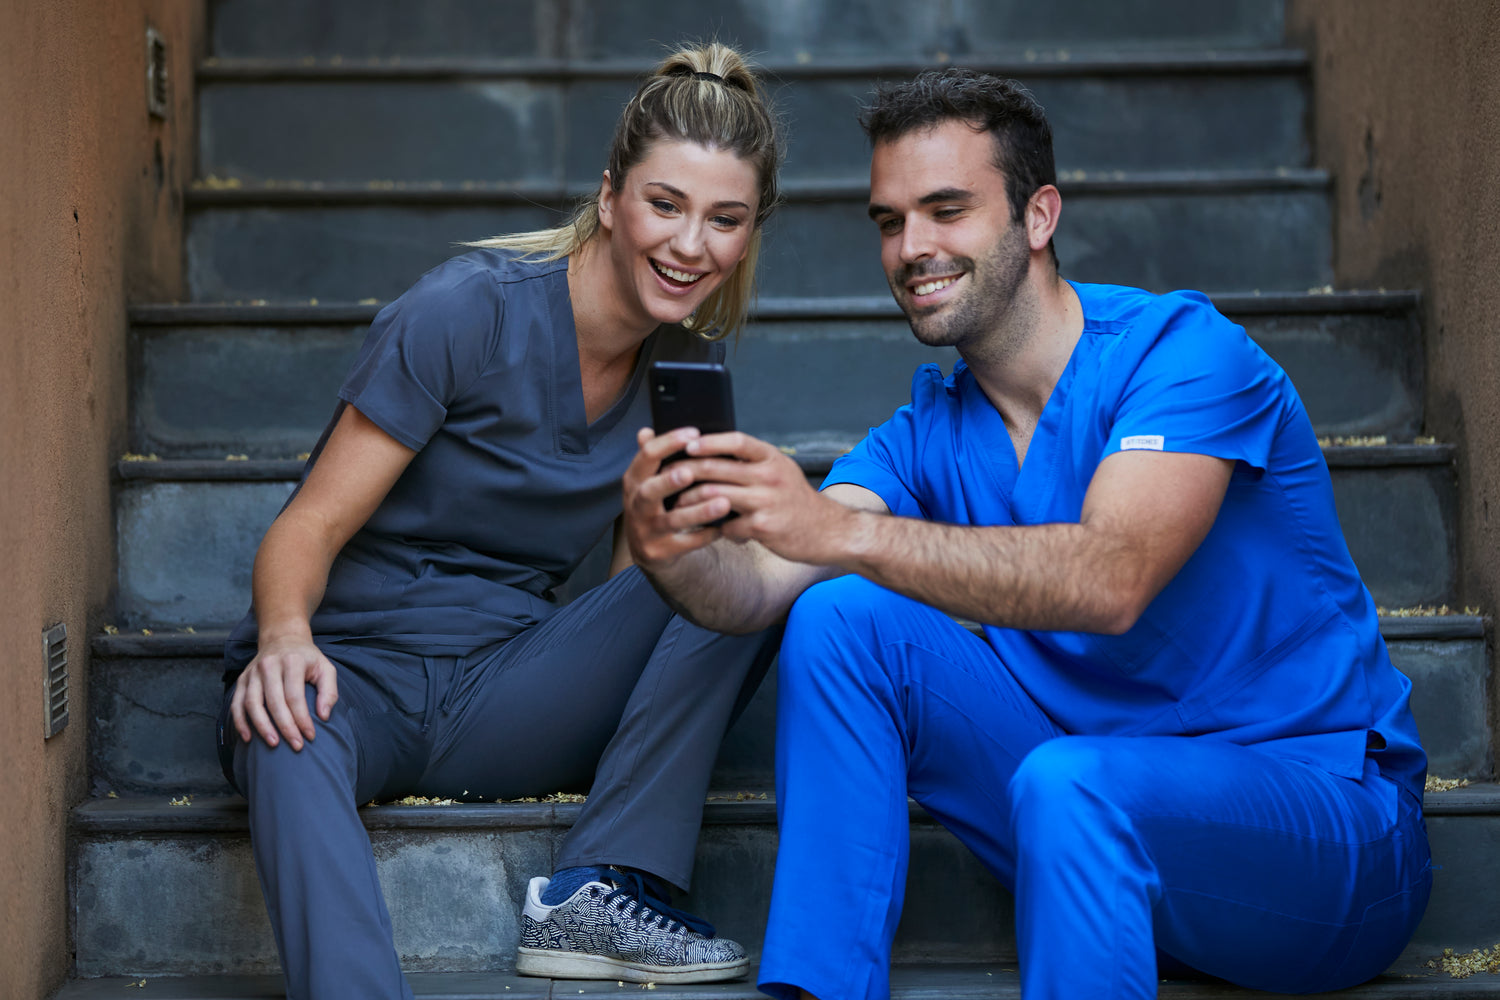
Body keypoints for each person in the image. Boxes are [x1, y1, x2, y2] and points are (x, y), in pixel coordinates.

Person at [622, 68, 1432, 1000]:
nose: (911, 248)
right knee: (839, 619)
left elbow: (1110, 579)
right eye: (890, 221)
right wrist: (675, 549)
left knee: (1067, 779)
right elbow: (756, 588)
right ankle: (818, 989)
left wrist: (834, 532)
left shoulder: (1184, 355)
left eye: (947, 209)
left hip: (1323, 832)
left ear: (1038, 216)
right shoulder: (930, 430)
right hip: (1083, 822)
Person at [214, 42, 784, 1000]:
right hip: (354, 678)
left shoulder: (680, 378)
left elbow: (627, 603)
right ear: (610, 198)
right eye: (665, 205)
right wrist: (280, 641)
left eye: (724, 220)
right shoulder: (465, 310)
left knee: (739, 559)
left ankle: (599, 889)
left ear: (749, 234)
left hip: (504, 690)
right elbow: (304, 529)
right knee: (284, 729)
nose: (691, 246)